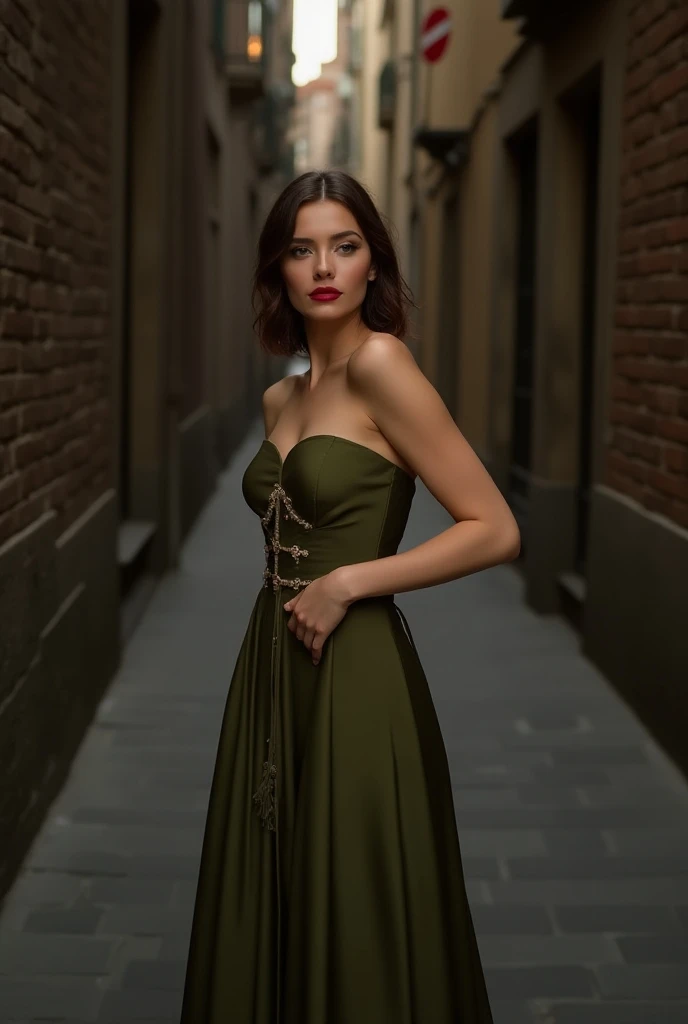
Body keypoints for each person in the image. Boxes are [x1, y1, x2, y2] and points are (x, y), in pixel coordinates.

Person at [180, 169, 520, 1023]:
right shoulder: (278, 397)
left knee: (358, 902)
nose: (324, 266)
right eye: (301, 249)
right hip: (270, 664)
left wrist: (349, 581)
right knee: (276, 879)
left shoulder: (382, 365)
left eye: (345, 245)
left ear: (374, 263)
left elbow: (494, 526)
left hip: (358, 669)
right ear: (278, 271)